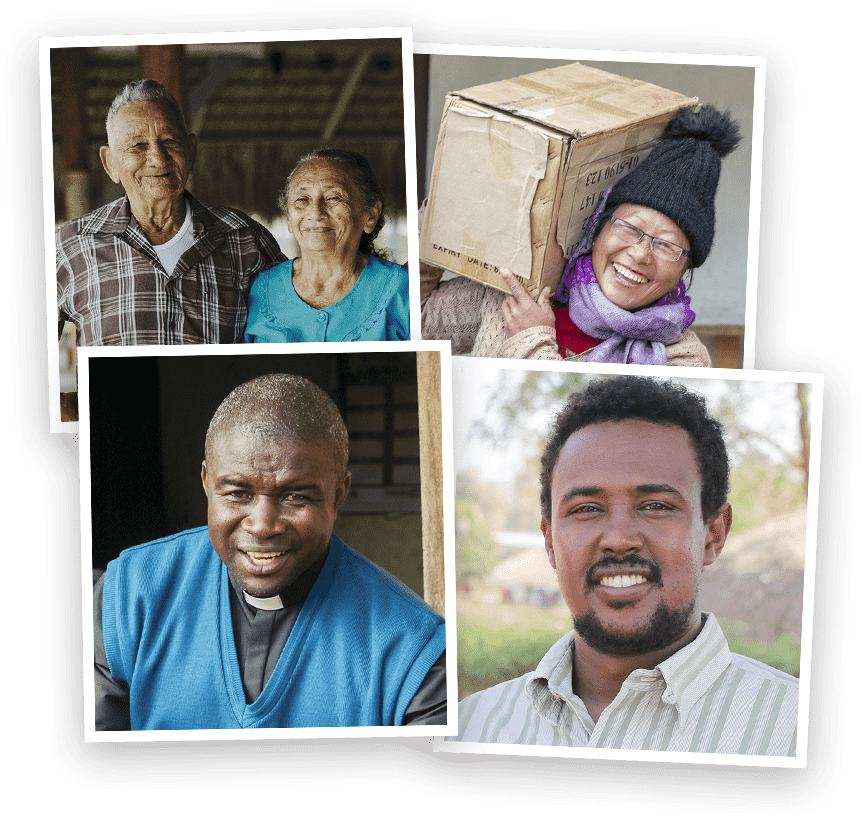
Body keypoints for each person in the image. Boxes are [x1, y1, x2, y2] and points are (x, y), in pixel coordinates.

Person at [447, 377, 798, 755]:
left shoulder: (796, 730)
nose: (618, 538)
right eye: (586, 509)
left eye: (656, 506)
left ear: (713, 534)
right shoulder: (472, 726)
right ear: (550, 541)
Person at [93, 374, 446, 730]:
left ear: (338, 495)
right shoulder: (128, 595)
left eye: (295, 496)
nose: (263, 526)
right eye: (237, 493)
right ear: (206, 483)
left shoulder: (414, 653)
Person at [421, 106, 742, 367]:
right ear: (598, 229)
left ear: (685, 269)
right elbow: (406, 321)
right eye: (629, 227)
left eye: (667, 245)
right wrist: (444, 217)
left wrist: (532, 340)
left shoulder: (682, 359)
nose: (642, 253)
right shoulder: (517, 296)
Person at [56, 80, 286, 346]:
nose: (158, 158)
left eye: (169, 141)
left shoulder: (245, 238)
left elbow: (291, 331)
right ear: (110, 164)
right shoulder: (70, 244)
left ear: (191, 151)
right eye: (138, 146)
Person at [244, 149, 410, 342]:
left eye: (333, 198)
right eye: (302, 200)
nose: (315, 212)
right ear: (289, 218)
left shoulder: (403, 289)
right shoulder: (257, 288)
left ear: (370, 215)